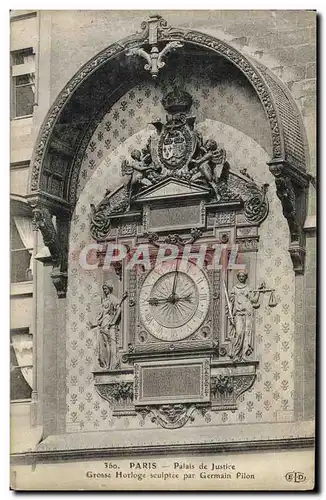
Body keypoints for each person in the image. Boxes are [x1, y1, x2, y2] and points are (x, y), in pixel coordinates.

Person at [87, 281, 127, 369]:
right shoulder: (104, 300)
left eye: (105, 289)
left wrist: (113, 322)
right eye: (103, 289)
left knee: (108, 343)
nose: (104, 291)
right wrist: (95, 324)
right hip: (103, 322)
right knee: (104, 344)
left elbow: (118, 308)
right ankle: (107, 364)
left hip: (108, 321)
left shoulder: (112, 298)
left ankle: (110, 365)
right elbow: (102, 313)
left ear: (109, 289)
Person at [228, 270, 260, 361]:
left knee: (247, 334)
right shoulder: (234, 289)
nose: (241, 277)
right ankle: (236, 354)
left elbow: (253, 300)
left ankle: (244, 355)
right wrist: (230, 315)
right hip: (238, 314)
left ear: (245, 277)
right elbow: (231, 302)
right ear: (238, 277)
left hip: (247, 314)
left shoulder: (248, 288)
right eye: (240, 276)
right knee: (239, 333)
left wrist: (257, 290)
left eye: (243, 276)